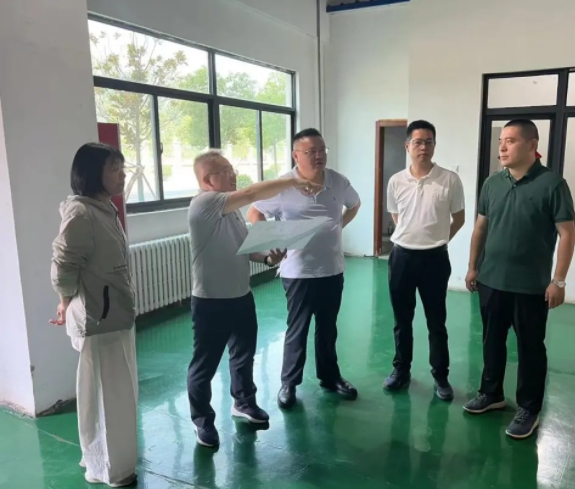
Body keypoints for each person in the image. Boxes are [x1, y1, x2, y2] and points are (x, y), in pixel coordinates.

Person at [188, 149, 322, 447]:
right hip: (211, 301)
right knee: (205, 365)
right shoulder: (205, 203)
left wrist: (269, 257)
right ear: (207, 180)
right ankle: (202, 421)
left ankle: (243, 402)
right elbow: (252, 193)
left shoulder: (230, 211)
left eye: (232, 168)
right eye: (225, 171)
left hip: (241, 296)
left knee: (243, 354)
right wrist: (295, 181)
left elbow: (245, 248)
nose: (233, 174)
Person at [464, 119, 575, 440]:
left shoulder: (552, 184)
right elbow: (481, 227)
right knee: (491, 341)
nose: (502, 147)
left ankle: (529, 408)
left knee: (530, 348)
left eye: (510, 141)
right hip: (491, 280)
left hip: (530, 286)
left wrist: (559, 281)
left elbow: (567, 233)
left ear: (532, 145)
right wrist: (473, 267)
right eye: (501, 140)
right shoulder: (492, 183)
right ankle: (491, 394)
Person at [247, 128, 361, 410]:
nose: (319, 156)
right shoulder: (283, 185)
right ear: (296, 155)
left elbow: (355, 204)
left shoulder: (338, 181)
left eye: (322, 150)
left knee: (328, 328)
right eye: (311, 151)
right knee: (297, 329)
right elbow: (254, 212)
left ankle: (330, 377)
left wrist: (338, 227)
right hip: (298, 271)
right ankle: (289, 383)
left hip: (332, 268)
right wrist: (273, 241)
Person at [50, 142, 138, 488]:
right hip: (99, 319)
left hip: (114, 315)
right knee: (105, 397)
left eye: (122, 168)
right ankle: (109, 469)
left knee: (116, 394)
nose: (122, 175)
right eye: (115, 169)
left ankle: (110, 459)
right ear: (91, 173)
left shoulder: (104, 208)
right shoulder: (81, 214)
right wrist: (64, 300)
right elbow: (62, 267)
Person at [383, 120, 465, 400]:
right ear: (407, 146)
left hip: (435, 259)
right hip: (402, 257)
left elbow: (459, 218)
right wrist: (412, 235)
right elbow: (396, 216)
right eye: (418, 142)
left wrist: (438, 239)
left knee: (436, 321)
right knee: (401, 320)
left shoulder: (450, 179)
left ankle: (440, 376)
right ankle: (401, 370)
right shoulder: (396, 181)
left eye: (429, 141)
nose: (423, 147)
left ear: (434, 145)